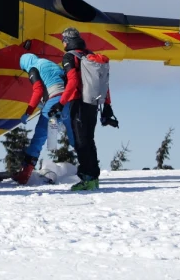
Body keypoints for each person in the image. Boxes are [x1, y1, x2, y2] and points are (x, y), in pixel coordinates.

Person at [59, 27, 116, 192]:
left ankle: (87, 178)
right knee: (89, 140)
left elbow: (73, 82)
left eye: (63, 40)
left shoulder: (70, 56)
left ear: (67, 41)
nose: (62, 43)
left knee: (81, 142)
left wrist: (61, 103)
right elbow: (104, 83)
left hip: (78, 103)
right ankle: (93, 178)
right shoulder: (89, 54)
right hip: (93, 103)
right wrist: (107, 104)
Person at [11, 51, 73, 185]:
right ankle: (88, 170)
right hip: (68, 100)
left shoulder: (33, 68)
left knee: (39, 136)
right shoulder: (48, 63)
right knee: (75, 137)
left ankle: (25, 173)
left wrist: (28, 112)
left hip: (54, 101)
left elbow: (38, 90)